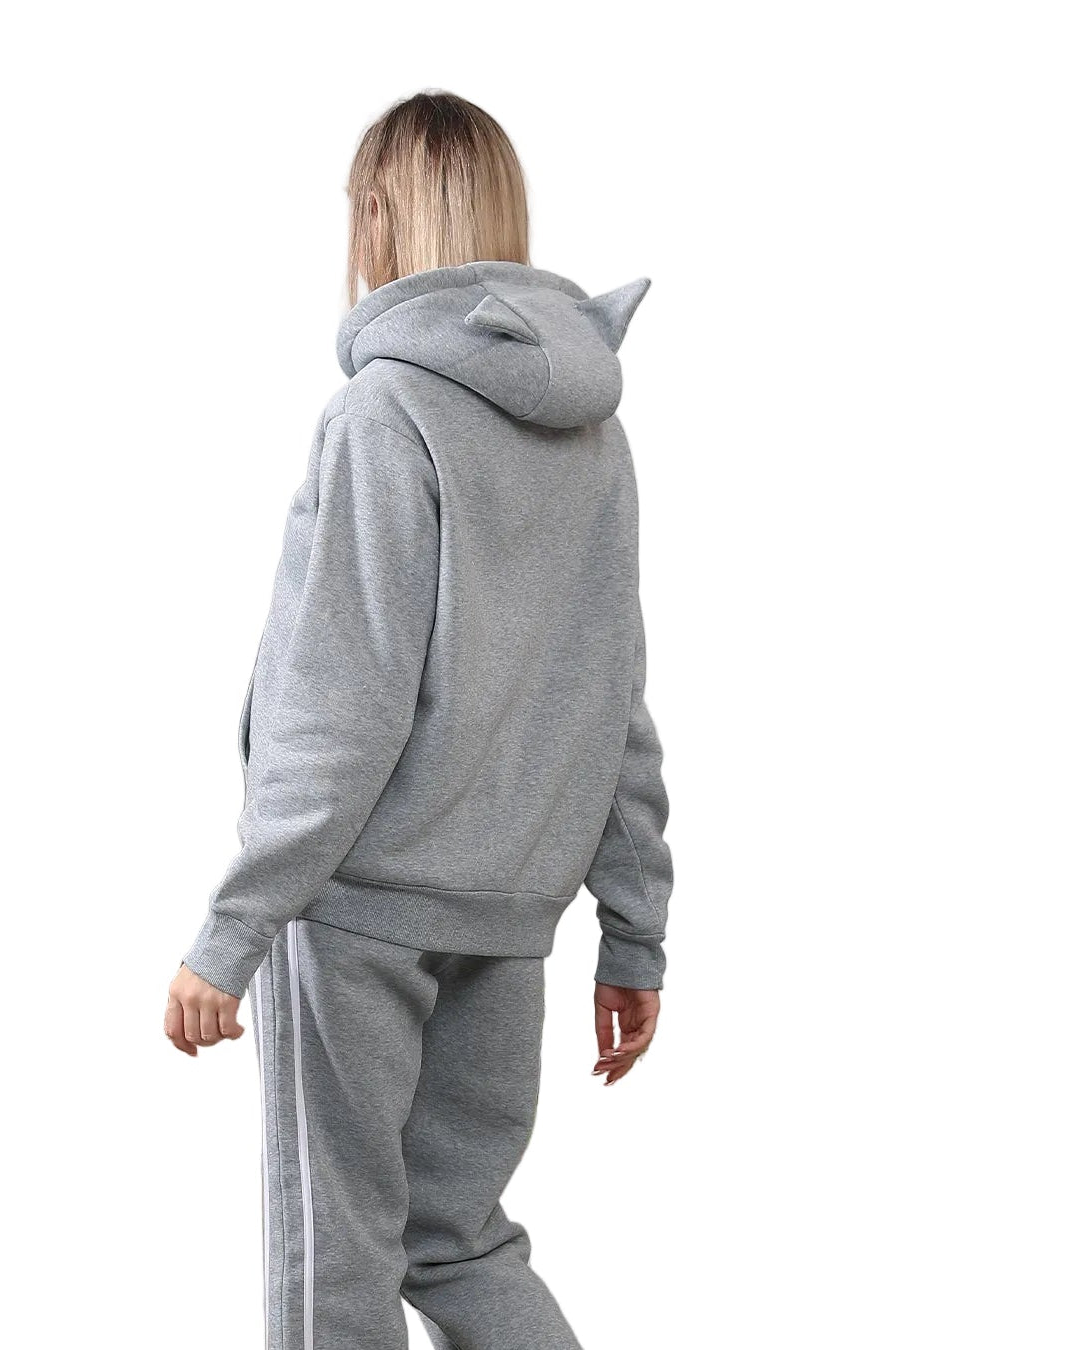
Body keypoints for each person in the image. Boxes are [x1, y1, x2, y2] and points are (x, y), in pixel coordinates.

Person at [165, 90, 673, 1349]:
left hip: (358, 909)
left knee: (332, 1252)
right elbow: (612, 693)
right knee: (459, 1239)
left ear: (380, 214)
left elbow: (336, 702)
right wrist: (632, 931)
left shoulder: (382, 415)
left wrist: (233, 930)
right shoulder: (593, 436)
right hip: (509, 914)